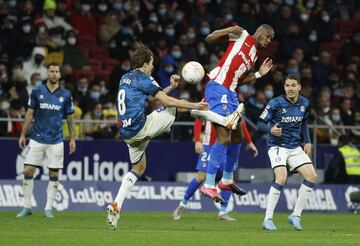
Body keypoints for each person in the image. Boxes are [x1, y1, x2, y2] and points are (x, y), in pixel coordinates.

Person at [106, 42, 244, 230]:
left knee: (138, 168)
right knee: (181, 106)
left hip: (127, 133)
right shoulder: (144, 79)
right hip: (141, 127)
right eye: (152, 63)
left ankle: (116, 204)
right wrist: (194, 105)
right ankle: (224, 120)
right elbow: (164, 100)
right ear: (145, 64)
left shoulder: (125, 78)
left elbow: (153, 97)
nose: (153, 66)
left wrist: (169, 86)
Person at [199, 24, 274, 202]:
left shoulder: (254, 55)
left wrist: (258, 75)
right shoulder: (242, 35)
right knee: (224, 138)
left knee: (238, 137)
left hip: (231, 93)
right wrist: (229, 30)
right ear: (260, 32)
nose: (268, 42)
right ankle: (209, 184)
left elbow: (238, 80)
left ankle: (226, 179)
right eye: (268, 37)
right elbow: (209, 38)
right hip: (218, 88)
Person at [256, 75, 317, 231]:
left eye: (293, 85)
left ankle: (295, 215)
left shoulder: (305, 103)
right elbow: (259, 123)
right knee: (281, 178)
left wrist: (308, 141)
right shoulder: (275, 103)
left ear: (299, 87)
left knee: (311, 176)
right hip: (277, 146)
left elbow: (304, 123)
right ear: (284, 87)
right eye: (287, 85)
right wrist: (270, 130)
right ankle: (267, 219)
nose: (290, 88)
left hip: (295, 147)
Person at [16, 63, 76, 218]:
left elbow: (70, 118)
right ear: (47, 73)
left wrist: (72, 138)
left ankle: (48, 208)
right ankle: (27, 206)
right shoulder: (37, 91)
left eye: (57, 71)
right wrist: (23, 134)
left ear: (60, 75)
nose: (55, 74)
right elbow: (29, 114)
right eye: (52, 71)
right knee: (29, 170)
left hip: (56, 140)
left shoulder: (66, 94)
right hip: (37, 138)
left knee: (54, 173)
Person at [172, 118, 258, 221]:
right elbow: (199, 120)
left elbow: (241, 122)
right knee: (201, 176)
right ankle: (182, 205)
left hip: (226, 145)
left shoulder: (234, 102)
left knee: (228, 178)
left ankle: (223, 212)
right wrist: (198, 141)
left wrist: (249, 141)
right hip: (209, 145)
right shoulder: (209, 101)